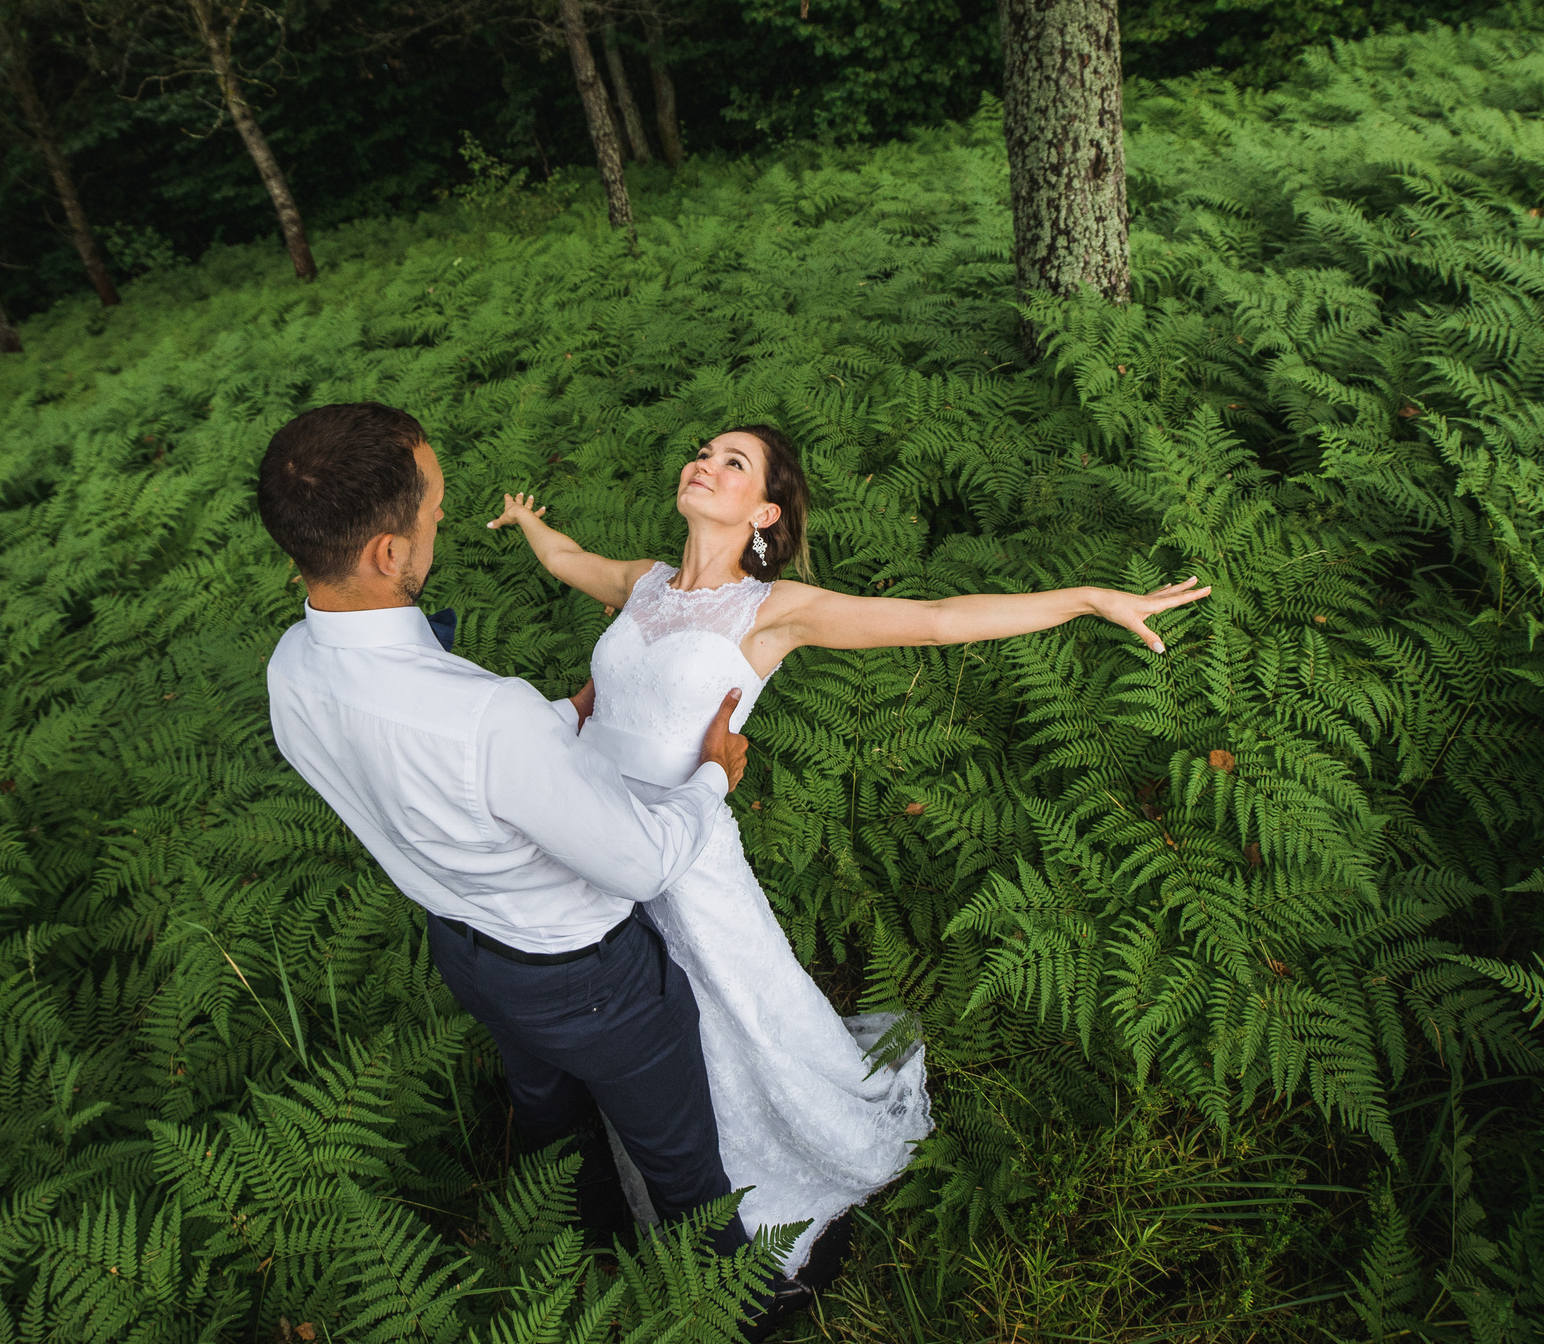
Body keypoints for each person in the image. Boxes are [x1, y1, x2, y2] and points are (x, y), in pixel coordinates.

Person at [488, 424, 1210, 1275]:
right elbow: (570, 556)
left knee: (724, 1015)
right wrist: (527, 520)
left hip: (685, 857)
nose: (704, 463)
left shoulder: (773, 610)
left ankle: (748, 1187)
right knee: (627, 1016)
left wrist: (1089, 599)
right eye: (703, 450)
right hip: (593, 837)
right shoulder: (642, 583)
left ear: (765, 511)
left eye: (733, 462)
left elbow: (937, 620)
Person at [255, 403, 812, 1322]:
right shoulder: (487, 718)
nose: (439, 515)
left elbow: (421, 773)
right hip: (589, 978)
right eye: (432, 505)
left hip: (467, 952)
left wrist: (559, 726)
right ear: (388, 553)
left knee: (550, 1113)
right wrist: (712, 776)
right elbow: (640, 862)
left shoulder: (290, 669)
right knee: (679, 1156)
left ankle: (584, 1239)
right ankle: (745, 1303)